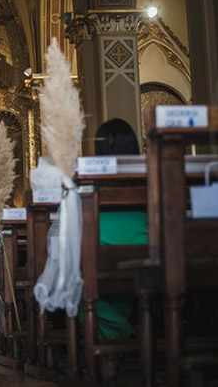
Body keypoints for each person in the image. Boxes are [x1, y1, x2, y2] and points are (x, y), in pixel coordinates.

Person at [91, 118, 146, 340]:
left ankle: (119, 333)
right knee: (127, 286)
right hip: (145, 246)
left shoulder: (90, 177)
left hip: (100, 249)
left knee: (75, 282)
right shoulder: (148, 175)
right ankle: (121, 333)